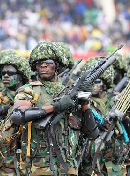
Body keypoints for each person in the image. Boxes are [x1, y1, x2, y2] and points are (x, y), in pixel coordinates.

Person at [10, 42, 95, 175]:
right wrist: (56, 107)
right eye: (39, 63)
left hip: (69, 167)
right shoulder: (29, 90)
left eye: (48, 62)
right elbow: (18, 115)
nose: (43, 65)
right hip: (39, 167)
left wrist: (84, 102)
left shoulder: (70, 92)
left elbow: (91, 134)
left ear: (57, 65)